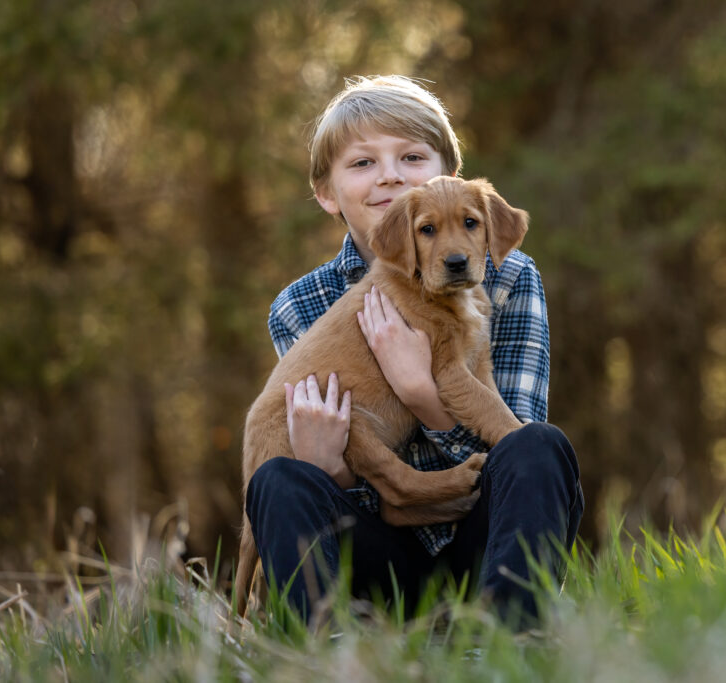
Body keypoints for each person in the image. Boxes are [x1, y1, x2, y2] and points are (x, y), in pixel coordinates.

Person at [244, 75, 583, 626]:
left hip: (487, 548)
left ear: (449, 173)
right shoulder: (301, 304)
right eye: (362, 164)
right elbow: (337, 459)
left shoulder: (510, 277)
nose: (391, 176)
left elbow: (520, 461)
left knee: (540, 446)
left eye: (411, 156)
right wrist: (330, 468)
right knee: (280, 482)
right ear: (327, 194)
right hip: (372, 555)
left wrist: (422, 393)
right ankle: (330, 648)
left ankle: (512, 636)